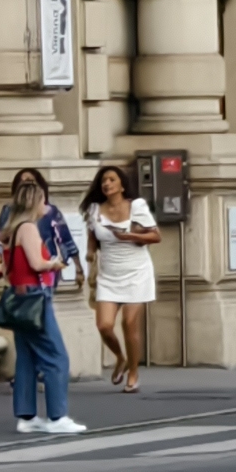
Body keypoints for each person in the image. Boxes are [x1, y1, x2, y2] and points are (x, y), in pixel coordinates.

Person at [0, 174, 81, 435]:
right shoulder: (28, 228)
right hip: (34, 295)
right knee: (56, 356)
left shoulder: (10, 230)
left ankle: (27, 415)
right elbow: (36, 263)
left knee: (27, 358)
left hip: (19, 296)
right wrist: (54, 263)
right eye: (43, 200)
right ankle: (57, 416)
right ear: (36, 201)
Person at [82, 166, 161, 391]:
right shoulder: (94, 210)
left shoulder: (136, 206)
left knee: (129, 323)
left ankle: (134, 372)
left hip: (136, 271)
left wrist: (131, 236)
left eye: (111, 179)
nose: (106, 184)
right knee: (104, 325)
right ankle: (120, 358)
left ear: (122, 185)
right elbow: (92, 236)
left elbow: (156, 236)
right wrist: (89, 253)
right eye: (103, 181)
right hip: (109, 274)